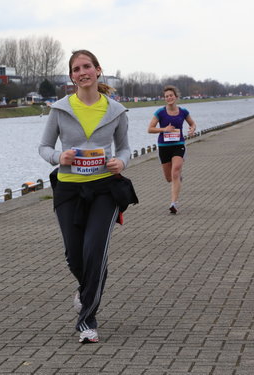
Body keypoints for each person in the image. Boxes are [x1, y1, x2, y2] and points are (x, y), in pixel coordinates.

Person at [39, 49, 138, 344]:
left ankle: (87, 320)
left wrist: (121, 162)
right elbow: (44, 147)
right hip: (69, 189)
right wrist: (60, 156)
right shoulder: (59, 109)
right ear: (72, 76)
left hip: (104, 190)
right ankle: (86, 292)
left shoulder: (116, 111)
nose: (82, 72)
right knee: (75, 255)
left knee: (96, 250)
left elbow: (124, 149)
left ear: (97, 70)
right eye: (76, 69)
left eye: (87, 67)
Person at [148, 85, 196, 214]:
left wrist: (192, 129)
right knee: (169, 178)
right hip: (164, 147)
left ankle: (173, 203)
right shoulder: (160, 112)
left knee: (176, 171)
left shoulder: (183, 112)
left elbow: (192, 123)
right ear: (165, 99)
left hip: (178, 145)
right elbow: (150, 129)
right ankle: (177, 179)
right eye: (166, 96)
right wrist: (164, 129)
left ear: (176, 96)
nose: (169, 98)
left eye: (171, 95)